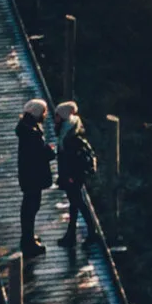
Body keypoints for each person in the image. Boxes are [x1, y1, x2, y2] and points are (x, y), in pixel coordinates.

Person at [53, 99, 97, 257]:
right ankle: (72, 235)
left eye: (57, 115)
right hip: (71, 175)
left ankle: (89, 233)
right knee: (75, 203)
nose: (54, 118)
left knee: (78, 203)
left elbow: (70, 159)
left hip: (73, 176)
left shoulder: (70, 136)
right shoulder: (68, 130)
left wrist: (69, 176)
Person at [15, 96, 54, 255]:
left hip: (28, 174)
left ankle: (28, 236)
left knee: (29, 207)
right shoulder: (32, 132)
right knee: (31, 207)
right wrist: (49, 152)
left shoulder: (26, 127)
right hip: (33, 175)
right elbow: (38, 154)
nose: (45, 115)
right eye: (44, 112)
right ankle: (28, 241)